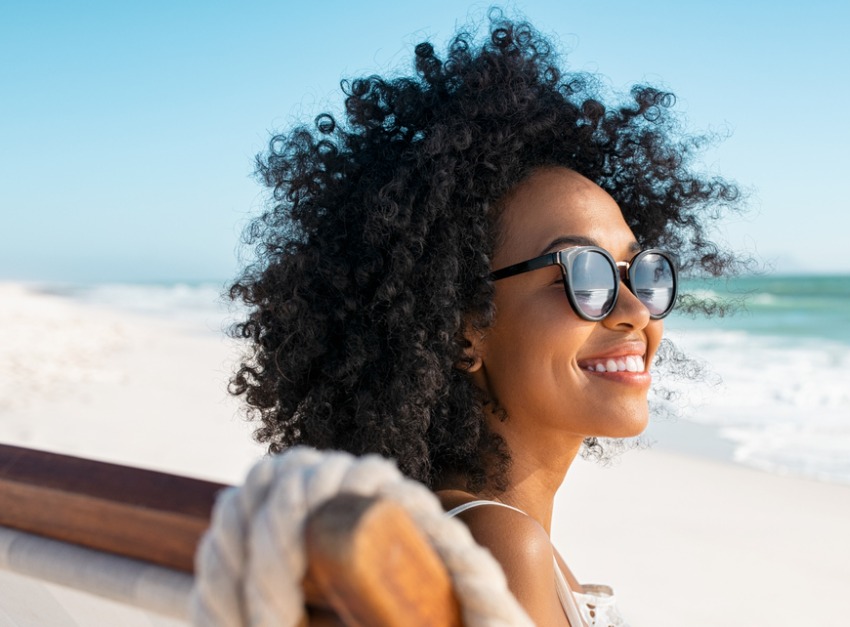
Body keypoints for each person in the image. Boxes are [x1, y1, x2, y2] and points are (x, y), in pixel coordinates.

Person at [228, 11, 739, 626]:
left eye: (639, 273)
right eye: (585, 274)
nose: (634, 311)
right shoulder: (502, 545)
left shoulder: (454, 526)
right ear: (462, 327)